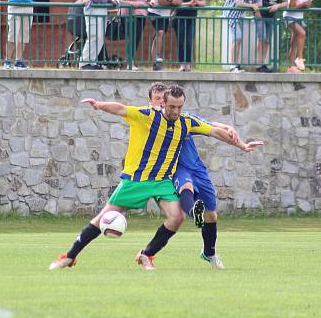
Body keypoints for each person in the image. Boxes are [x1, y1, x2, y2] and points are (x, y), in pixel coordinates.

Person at [49, 85, 263, 271]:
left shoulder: (186, 122)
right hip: (136, 180)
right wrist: (99, 105)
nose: (176, 111)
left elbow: (215, 131)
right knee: (100, 219)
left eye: (180, 107)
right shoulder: (148, 115)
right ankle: (69, 256)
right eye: (172, 107)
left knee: (177, 217)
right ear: (164, 104)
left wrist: (242, 145)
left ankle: (147, 254)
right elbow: (122, 109)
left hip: (162, 181)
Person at [146, 83, 245, 270]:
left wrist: (228, 127)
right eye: (157, 99)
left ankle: (209, 252)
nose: (161, 103)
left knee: (212, 215)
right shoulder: (148, 121)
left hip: (197, 167)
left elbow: (209, 125)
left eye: (162, 99)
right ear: (150, 102)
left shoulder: (181, 119)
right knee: (186, 190)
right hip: (175, 168)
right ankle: (193, 214)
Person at [223, 0, 262, 72]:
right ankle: (233, 65)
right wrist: (252, 6)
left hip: (241, 14)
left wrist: (255, 5)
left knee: (238, 39)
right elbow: (238, 2)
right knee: (237, 38)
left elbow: (260, 2)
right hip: (231, 12)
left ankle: (236, 64)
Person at [114, 0, 150, 69]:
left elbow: (143, 0)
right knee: (131, 37)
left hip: (141, 16)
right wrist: (131, 3)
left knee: (137, 38)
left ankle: (131, 60)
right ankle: (130, 62)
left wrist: (148, 4)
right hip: (128, 15)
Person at [147, 0, 182, 71]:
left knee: (159, 35)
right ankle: (156, 59)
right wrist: (172, 2)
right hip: (155, 11)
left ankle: (155, 62)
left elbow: (179, 1)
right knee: (160, 32)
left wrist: (173, 3)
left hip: (166, 14)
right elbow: (161, 1)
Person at [256, 0, 289, 73]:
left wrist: (278, 6)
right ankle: (259, 64)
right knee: (261, 39)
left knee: (267, 41)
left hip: (272, 17)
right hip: (260, 15)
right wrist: (256, 11)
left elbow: (286, 2)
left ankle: (263, 64)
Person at [173, 0, 206, 72]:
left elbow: (204, 3)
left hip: (191, 18)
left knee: (189, 40)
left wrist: (196, 2)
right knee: (181, 41)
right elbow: (176, 3)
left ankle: (188, 64)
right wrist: (188, 4)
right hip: (180, 18)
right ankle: (182, 64)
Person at [282, 0, 315, 72]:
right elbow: (290, 8)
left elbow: (306, 7)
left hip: (299, 18)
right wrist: (303, 4)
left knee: (294, 43)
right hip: (289, 17)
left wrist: (305, 5)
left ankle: (290, 67)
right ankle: (300, 59)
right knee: (302, 33)